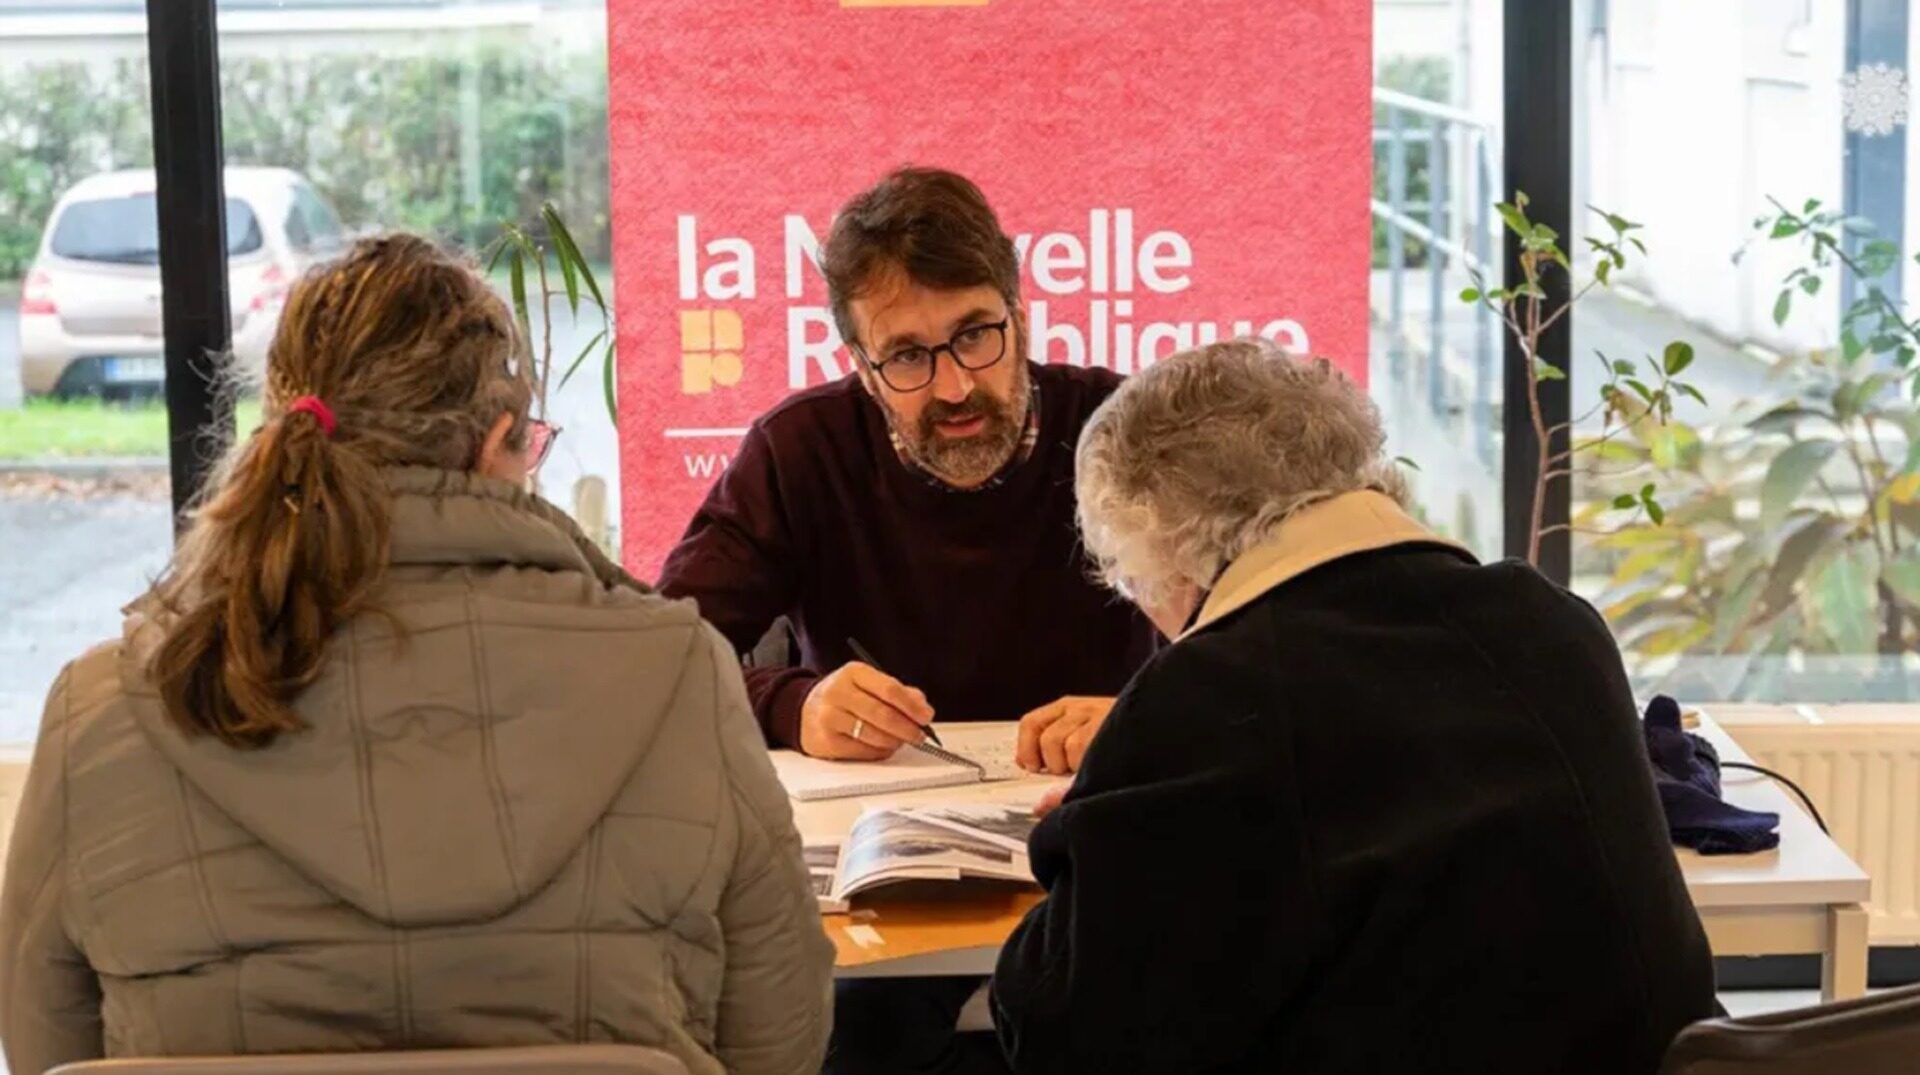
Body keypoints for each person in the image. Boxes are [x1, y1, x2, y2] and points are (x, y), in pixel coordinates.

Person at [0, 235, 833, 1075]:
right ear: (496, 441)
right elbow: (782, 1034)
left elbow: (42, 1046)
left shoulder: (105, 707)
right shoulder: (678, 674)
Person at [991, 339, 1719, 1074]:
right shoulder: (1556, 622)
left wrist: (1090, 843)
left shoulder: (1209, 693)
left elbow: (1063, 1033)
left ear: (1159, 545)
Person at [658, 168, 1158, 1075]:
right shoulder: (801, 450)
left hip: (1102, 840)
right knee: (846, 1029)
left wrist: (1146, 709)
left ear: (1019, 309)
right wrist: (790, 703)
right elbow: (662, 653)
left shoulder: (1116, 430)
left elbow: (1255, 626)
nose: (956, 385)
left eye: (975, 334)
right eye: (908, 356)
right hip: (888, 868)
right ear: (857, 361)